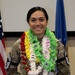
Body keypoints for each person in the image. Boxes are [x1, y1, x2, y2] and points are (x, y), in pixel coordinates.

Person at [6, 6, 66, 75]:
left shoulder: (56, 44)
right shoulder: (19, 44)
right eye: (33, 20)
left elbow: (65, 71)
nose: (37, 24)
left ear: (47, 21)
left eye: (41, 20)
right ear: (28, 22)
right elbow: (10, 70)